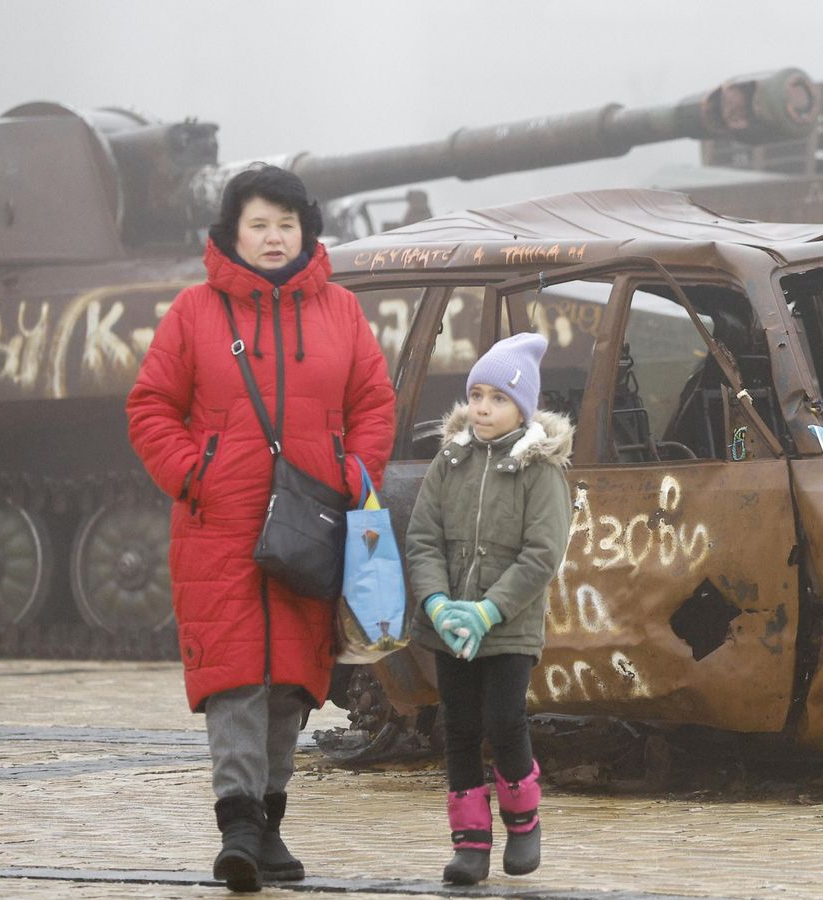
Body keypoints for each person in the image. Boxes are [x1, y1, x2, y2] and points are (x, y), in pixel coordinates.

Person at [127, 165, 395, 893]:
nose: (274, 237)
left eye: (286, 224)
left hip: (312, 521)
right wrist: (195, 475)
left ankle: (268, 824)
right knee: (236, 678)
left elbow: (374, 402)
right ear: (232, 233)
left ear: (305, 230)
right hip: (220, 526)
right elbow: (151, 406)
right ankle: (239, 826)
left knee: (293, 685)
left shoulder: (341, 312)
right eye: (259, 224)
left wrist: (352, 472)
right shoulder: (194, 311)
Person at [403, 331, 573, 885]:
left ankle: (523, 821)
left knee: (503, 721)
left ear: (522, 407)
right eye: (476, 394)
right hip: (450, 626)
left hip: (508, 626)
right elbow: (423, 539)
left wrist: (488, 611)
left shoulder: (540, 470)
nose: (482, 407)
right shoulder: (450, 460)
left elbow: (542, 553)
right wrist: (437, 603)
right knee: (458, 727)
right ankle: (470, 843)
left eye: (498, 398)